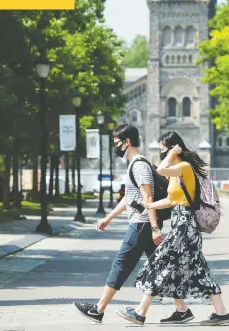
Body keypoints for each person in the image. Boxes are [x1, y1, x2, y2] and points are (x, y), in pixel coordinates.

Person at [73, 124, 187, 323]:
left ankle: (98, 310)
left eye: (117, 142)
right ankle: (182, 308)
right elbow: (130, 198)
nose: (115, 146)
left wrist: (154, 227)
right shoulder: (134, 164)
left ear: (127, 142)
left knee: (121, 264)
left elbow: (147, 196)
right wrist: (108, 218)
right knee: (162, 266)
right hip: (144, 223)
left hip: (142, 224)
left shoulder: (139, 164)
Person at [116, 131, 229, 326]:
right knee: (198, 269)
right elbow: (172, 200)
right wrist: (148, 206)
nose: (161, 153)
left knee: (161, 263)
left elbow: (160, 170)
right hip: (182, 223)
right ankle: (219, 313)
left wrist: (170, 155)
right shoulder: (177, 171)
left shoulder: (184, 167)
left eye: (163, 149)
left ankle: (140, 312)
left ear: (174, 148)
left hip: (185, 226)